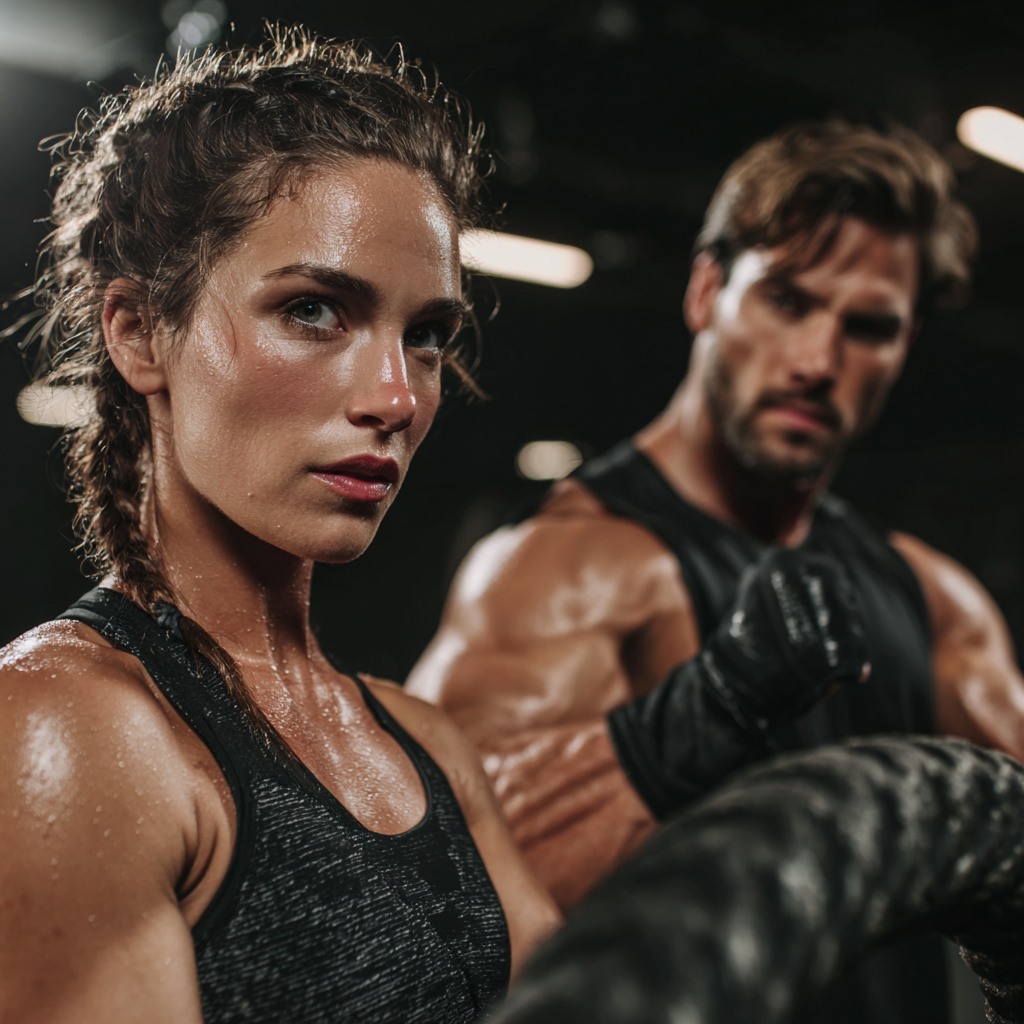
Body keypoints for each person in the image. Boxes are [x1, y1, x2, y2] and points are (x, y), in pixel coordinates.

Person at [407, 119, 1024, 1022]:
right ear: (706, 291)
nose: (818, 362)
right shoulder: (566, 568)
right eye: (787, 300)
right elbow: (427, 898)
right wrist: (699, 718)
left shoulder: (933, 596)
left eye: (868, 328)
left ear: (905, 345)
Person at [0, 31, 561, 1024]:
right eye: (313, 310)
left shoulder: (426, 745)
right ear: (138, 332)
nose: (396, 396)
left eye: (426, 335)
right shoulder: (65, 729)